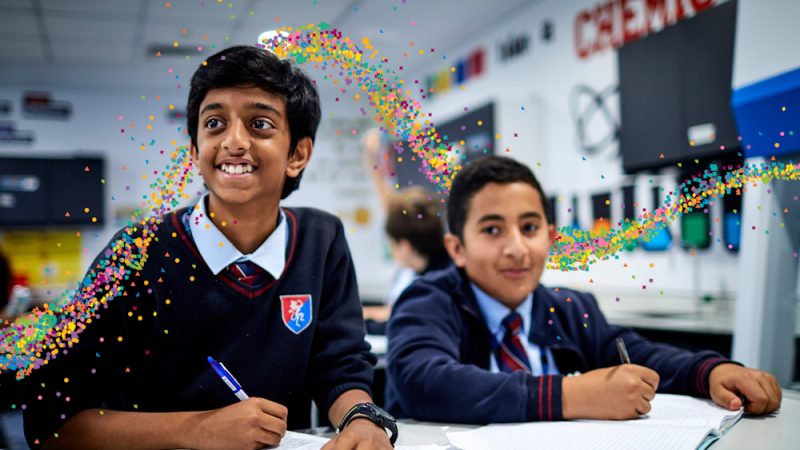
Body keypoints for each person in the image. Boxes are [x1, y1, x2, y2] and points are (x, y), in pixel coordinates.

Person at [22, 45, 394, 450]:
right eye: (214, 123)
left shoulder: (322, 239)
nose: (234, 141)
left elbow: (339, 365)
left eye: (260, 124)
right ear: (196, 152)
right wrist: (198, 429)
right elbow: (50, 420)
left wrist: (361, 418)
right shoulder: (135, 252)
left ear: (298, 154)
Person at [385, 155, 782, 423]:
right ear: (456, 248)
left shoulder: (569, 307)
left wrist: (709, 370)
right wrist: (572, 395)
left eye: (529, 228)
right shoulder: (427, 301)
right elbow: (424, 382)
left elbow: (635, 352)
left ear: (550, 236)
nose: (517, 248)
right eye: (492, 229)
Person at [360, 129, 449, 333]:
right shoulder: (416, 264)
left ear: (406, 246)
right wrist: (374, 166)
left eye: (392, 243)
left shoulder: (435, 286)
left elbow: (394, 318)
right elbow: (392, 209)